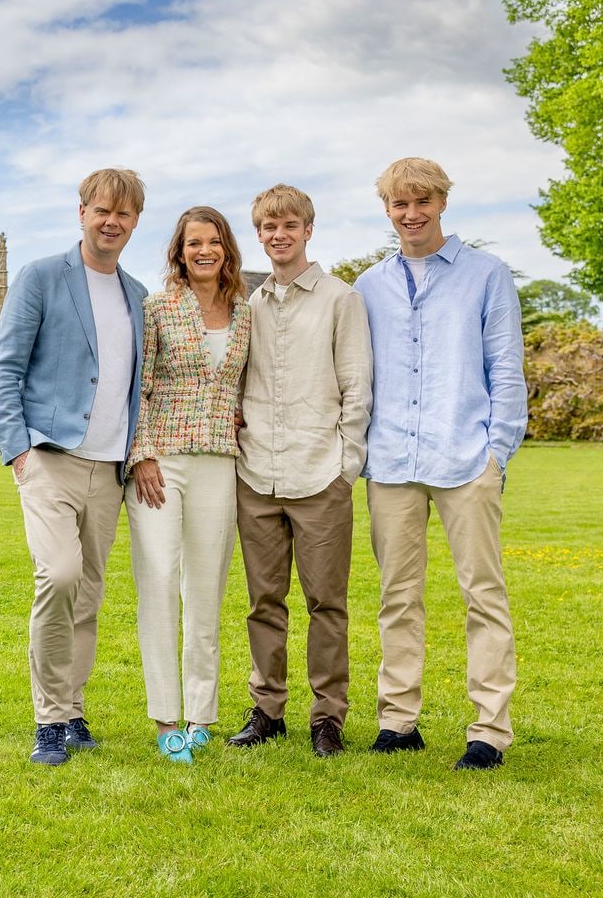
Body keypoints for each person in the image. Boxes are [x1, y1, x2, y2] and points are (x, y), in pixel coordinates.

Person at [354, 157, 527, 770]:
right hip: (393, 462)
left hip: (466, 457)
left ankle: (489, 730)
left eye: (422, 201)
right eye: (400, 204)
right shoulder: (368, 287)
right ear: (387, 209)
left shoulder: (487, 275)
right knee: (397, 597)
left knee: (483, 594)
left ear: (442, 204)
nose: (411, 213)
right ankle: (398, 722)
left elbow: (506, 369)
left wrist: (495, 455)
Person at [0, 167, 148, 766]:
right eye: (102, 210)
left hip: (109, 469)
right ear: (81, 211)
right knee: (56, 577)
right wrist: (18, 450)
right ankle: (49, 720)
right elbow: (3, 367)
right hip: (49, 458)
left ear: (135, 222)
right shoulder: (40, 278)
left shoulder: (137, 296)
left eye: (124, 214)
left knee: (88, 595)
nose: (112, 222)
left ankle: (74, 709)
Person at [228, 185, 372, 758]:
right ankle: (267, 710)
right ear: (258, 234)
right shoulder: (249, 304)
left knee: (326, 604)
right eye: (268, 227)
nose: (278, 235)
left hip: (320, 476)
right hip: (257, 473)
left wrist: (347, 467)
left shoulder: (342, 300)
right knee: (264, 602)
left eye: (289, 225)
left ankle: (327, 718)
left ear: (308, 230)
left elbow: (357, 387)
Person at [125, 206, 251, 763]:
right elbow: (140, 387)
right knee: (157, 581)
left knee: (206, 588)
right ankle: (164, 719)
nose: (205, 250)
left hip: (218, 461)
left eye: (215, 241)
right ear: (179, 250)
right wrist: (143, 454)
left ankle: (202, 714)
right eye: (194, 242)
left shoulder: (245, 311)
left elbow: (247, 384)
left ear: (227, 249)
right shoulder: (156, 309)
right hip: (161, 462)